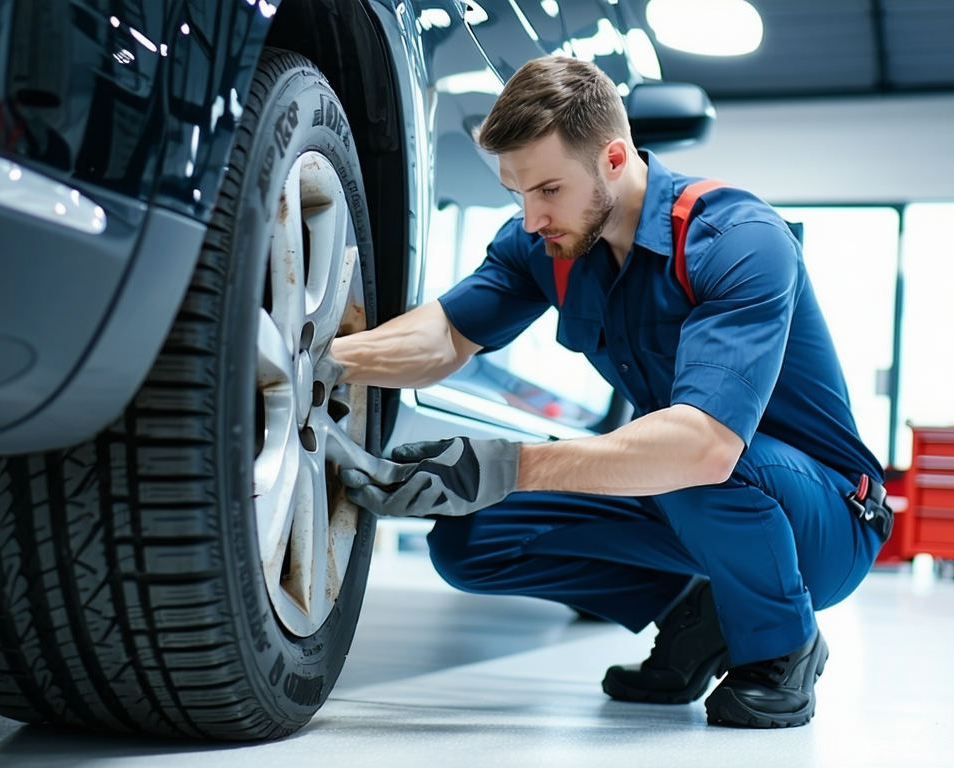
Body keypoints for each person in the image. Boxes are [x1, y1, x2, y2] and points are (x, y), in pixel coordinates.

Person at [321, 55, 891, 729]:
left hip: (823, 520)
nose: (531, 218)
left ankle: (782, 647)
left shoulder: (734, 240)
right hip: (691, 495)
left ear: (614, 158)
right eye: (518, 194)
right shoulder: (551, 245)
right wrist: (321, 361)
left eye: (548, 190)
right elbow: (444, 338)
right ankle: (697, 609)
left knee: (687, 459)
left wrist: (507, 465)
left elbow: (705, 448)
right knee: (470, 540)